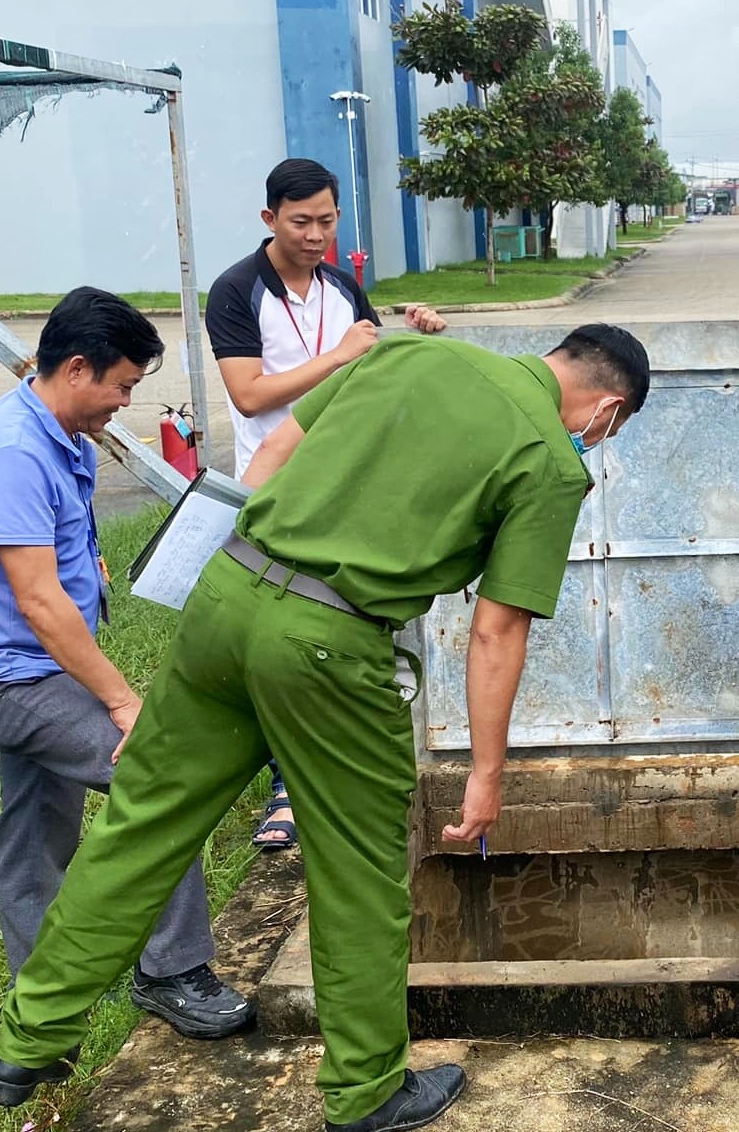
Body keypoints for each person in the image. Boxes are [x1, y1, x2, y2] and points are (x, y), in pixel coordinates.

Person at [0, 324, 651, 1132]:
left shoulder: (409, 353)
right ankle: (366, 1092)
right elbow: (496, 630)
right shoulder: (550, 459)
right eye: (609, 430)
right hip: (330, 646)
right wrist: (484, 772)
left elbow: (274, 453)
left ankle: (31, 1037)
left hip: (226, 595)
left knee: (139, 825)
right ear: (606, 407)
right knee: (359, 871)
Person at [0, 288, 254, 1048]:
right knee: (157, 777)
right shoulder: (16, 452)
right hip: (10, 681)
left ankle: (41, 993)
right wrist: (121, 702)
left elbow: (55, 570)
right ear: (76, 369)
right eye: (121, 386)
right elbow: (40, 603)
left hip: (28, 669)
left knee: (35, 828)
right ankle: (171, 972)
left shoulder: (55, 432)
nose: (124, 402)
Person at [205, 157, 448, 851]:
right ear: (269, 219)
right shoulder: (236, 290)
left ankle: (331, 773)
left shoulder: (342, 287)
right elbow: (250, 394)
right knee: (283, 633)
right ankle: (283, 786)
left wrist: (417, 327)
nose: (316, 235)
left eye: (328, 220)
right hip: (273, 488)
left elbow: (372, 363)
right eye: (301, 221)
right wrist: (342, 355)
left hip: (346, 487)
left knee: (341, 629)